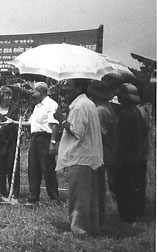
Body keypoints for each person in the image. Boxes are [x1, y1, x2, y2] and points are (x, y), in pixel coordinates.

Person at [54, 79, 103, 237]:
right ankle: (92, 227)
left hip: (80, 157)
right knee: (89, 196)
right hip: (89, 157)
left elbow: (77, 131)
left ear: (80, 87)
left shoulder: (79, 105)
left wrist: (61, 119)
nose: (66, 89)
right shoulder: (88, 103)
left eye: (70, 86)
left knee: (78, 196)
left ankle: (79, 229)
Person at [113, 83, 151, 222]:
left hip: (126, 156)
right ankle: (137, 211)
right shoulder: (139, 111)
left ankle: (127, 215)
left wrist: (118, 156)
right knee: (136, 184)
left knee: (123, 186)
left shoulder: (126, 114)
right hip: (137, 154)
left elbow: (124, 139)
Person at [18, 82, 60, 204]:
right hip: (35, 138)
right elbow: (31, 123)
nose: (32, 93)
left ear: (41, 91)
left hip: (45, 138)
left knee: (47, 168)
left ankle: (54, 197)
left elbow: (55, 125)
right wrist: (15, 122)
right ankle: (33, 195)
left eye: (34, 91)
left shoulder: (51, 105)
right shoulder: (37, 106)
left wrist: (53, 141)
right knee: (33, 167)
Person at [86, 80, 118, 227]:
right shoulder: (107, 107)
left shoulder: (100, 110)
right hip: (107, 150)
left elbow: (98, 133)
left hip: (101, 151)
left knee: (96, 185)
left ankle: (97, 218)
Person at [0, 86, 21, 197]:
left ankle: (14, 192)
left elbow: (12, 124)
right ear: (1, 96)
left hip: (11, 141)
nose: (9, 98)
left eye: (10, 95)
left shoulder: (14, 109)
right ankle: (0, 190)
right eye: (7, 95)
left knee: (11, 166)